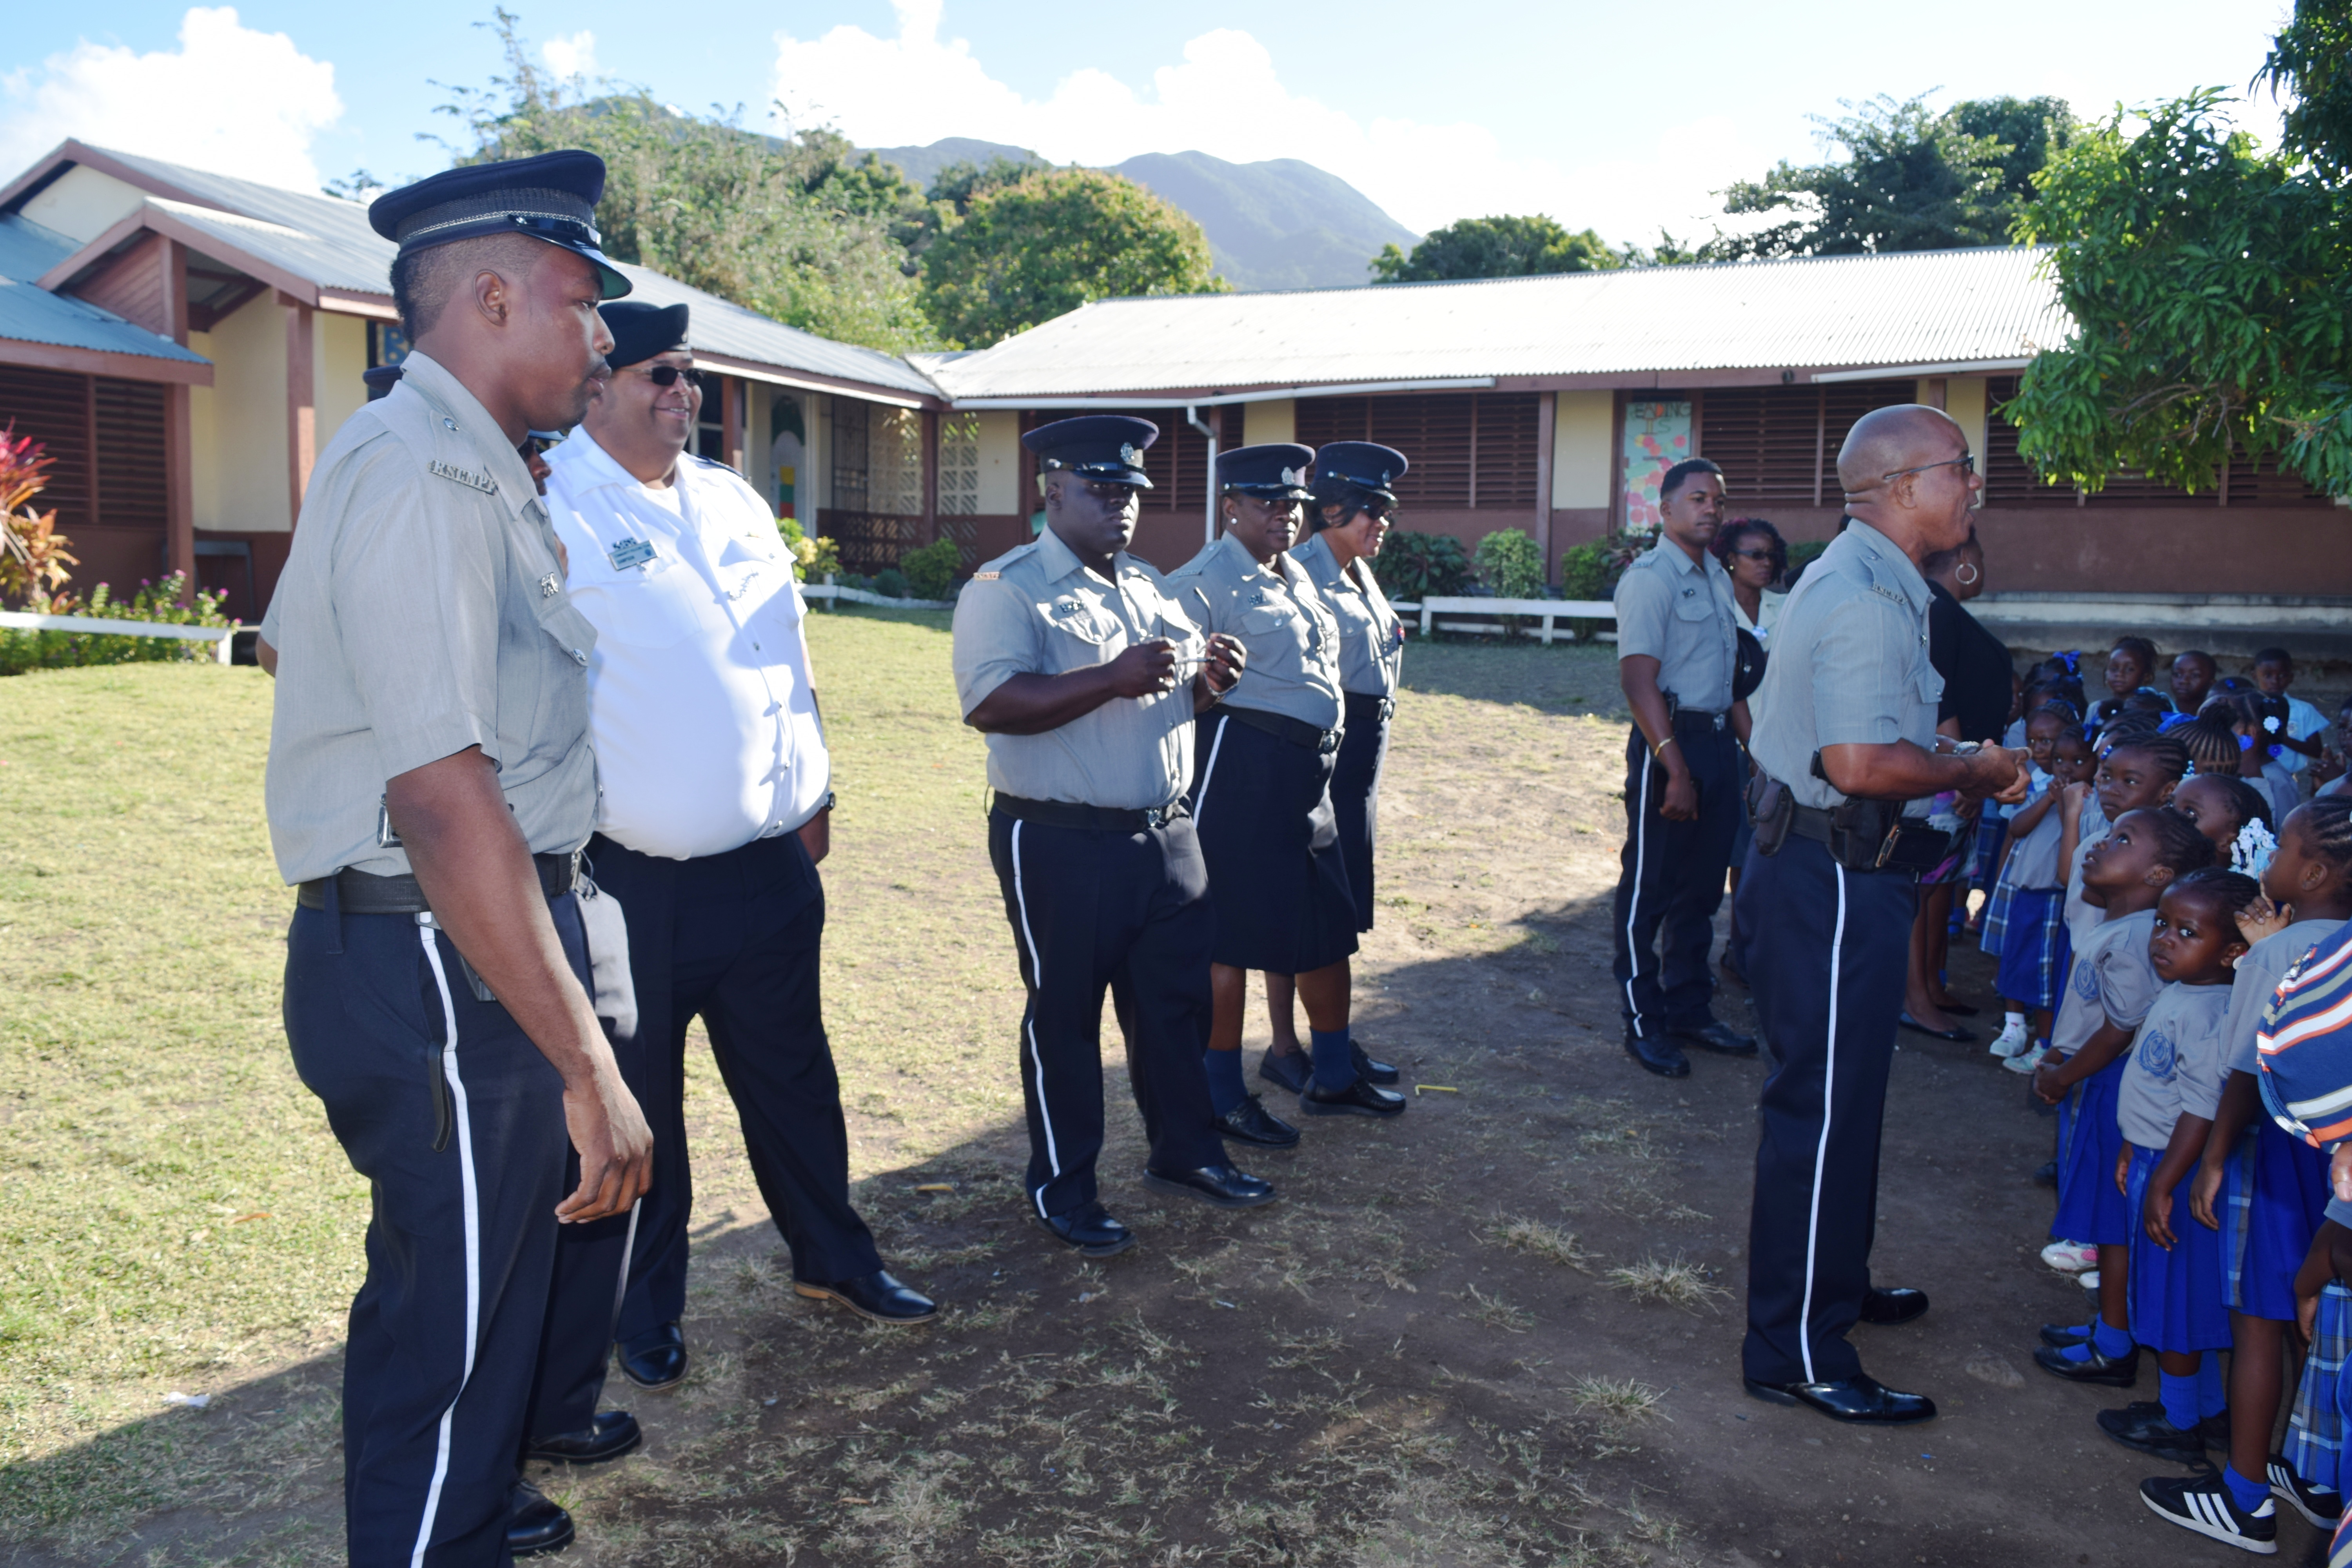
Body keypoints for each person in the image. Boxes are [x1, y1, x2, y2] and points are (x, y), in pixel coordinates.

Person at [263, 151, 654, 1564]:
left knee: (469, 1307)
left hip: (459, 943)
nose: (602, 338)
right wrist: (585, 1064)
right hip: (440, 955)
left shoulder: (466, 468)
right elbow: (441, 796)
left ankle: (465, 1510)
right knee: (453, 1334)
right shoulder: (424, 473)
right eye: (579, 301)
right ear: (491, 297)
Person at [543, 301, 936, 1401]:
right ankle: (644, 1309)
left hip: (768, 865)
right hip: (634, 877)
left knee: (795, 1076)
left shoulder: (731, 498)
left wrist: (819, 783)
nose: (685, 394)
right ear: (597, 384)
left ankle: (834, 1259)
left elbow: (784, 653)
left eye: (691, 375)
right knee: (642, 1102)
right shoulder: (554, 503)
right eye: (660, 375)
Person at [1735, 404, 2027, 1425]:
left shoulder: (1881, 580)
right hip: (1829, 875)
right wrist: (1973, 768)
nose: (1976, 485)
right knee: (1820, 1111)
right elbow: (1859, 764)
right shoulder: (1865, 595)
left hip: (1843, 872)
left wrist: (1956, 758)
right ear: (1903, 486)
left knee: (1847, 1101)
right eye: (1962, 468)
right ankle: (1796, 1350)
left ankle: (1834, 1286)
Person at [952, 415, 1273, 1258]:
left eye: (1131, 492)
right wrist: (1109, 677)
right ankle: (1066, 1188)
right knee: (1065, 1017)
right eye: (1101, 490)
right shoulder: (1007, 586)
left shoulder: (1148, 585)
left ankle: (1186, 1152)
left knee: (1175, 1007)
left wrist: (1209, 686)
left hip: (1166, 833)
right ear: (1053, 490)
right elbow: (990, 703)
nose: (1121, 506)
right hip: (1063, 839)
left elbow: (1160, 703)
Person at [1171, 444, 1405, 1125]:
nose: (1285, 515)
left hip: (1313, 774)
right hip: (1243, 768)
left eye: (1293, 503)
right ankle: (1220, 1093)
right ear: (1230, 507)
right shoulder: (1201, 582)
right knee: (1230, 938)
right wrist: (1206, 686)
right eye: (1267, 503)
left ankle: (1333, 1073)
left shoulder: (1296, 574)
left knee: (1326, 927)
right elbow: (1175, 697)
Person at [2165, 799, 2352, 1547]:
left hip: (2274, 1154)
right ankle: (2317, 1476)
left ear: (2313, 874)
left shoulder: (2276, 957)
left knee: (2260, 1323)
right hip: (2336, 1169)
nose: (2268, 860)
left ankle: (2245, 1498)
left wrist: (2212, 1159)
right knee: (2323, 1311)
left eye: (2282, 851)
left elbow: (2245, 1068)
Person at [2027, 808, 2209, 1384]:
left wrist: (2062, 1075)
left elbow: (2117, 1031)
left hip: (2113, 1086)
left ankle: (2113, 1344)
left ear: (2158, 875)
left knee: (2111, 1219)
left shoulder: (2136, 936)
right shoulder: (2125, 925)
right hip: (2100, 1078)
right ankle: (2110, 1328)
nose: (2101, 844)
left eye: (2122, 839)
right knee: (2106, 1215)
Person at [2096, 870, 2257, 1498]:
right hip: (2154, 1159)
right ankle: (2206, 1410)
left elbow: (2201, 1109)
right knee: (2178, 1295)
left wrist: (2163, 1181)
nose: (2164, 939)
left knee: (2175, 1302)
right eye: (2163, 924)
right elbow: (2157, 1089)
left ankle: (2180, 1420)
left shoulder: (2213, 1011)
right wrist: (2133, 1145)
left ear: (2233, 952)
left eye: (2187, 932)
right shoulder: (2183, 990)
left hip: (2178, 1174)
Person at [1258, 443, 1410, 1096]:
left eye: (1386, 511)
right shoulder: (1300, 572)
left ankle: (1331, 1038)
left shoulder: (1357, 572)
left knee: (1335, 911)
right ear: (1332, 510)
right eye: (1370, 510)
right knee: (1298, 905)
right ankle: (1285, 1046)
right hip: (1322, 755)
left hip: (1360, 764)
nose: (1382, 523)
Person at [1610, 458, 1758, 1078]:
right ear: (1665, 509)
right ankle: (1645, 1022)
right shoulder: (1651, 579)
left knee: (1700, 891)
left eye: (1718, 501)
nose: (1711, 510)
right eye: (1698, 499)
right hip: (1670, 744)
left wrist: (1755, 758)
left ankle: (1690, 1010)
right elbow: (1638, 681)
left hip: (1719, 747)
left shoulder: (1717, 578)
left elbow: (1731, 685)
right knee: (1649, 891)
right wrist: (1674, 768)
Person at [1902, 525, 2011, 1042]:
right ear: (1965, 556)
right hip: (1946, 773)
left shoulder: (1945, 608)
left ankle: (1930, 983)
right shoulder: (1936, 608)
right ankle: (1914, 998)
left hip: (1960, 773)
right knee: (1922, 889)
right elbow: (1937, 695)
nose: (1985, 568)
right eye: (1982, 556)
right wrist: (1965, 769)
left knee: (1941, 886)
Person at [1979, 725, 2092, 1071]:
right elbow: (2017, 828)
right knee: (2015, 960)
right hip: (2025, 894)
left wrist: (2067, 805)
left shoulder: (2088, 803)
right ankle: (2014, 1027)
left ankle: (2044, 1046)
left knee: (2044, 976)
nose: (2066, 768)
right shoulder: (2041, 791)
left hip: (2053, 899)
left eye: (2078, 761)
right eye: (2059, 760)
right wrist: (2048, 799)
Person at [1710, 517, 1786, 987]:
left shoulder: (1787, 607)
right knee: (1742, 856)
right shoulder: (1716, 607)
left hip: (1781, 747)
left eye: (1771, 554)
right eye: (1755, 554)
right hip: (1737, 748)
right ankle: (1739, 949)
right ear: (1730, 559)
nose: (1766, 563)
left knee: (1773, 855)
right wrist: (1754, 751)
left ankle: (1761, 948)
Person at [2253, 646, 2329, 784]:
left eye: (2282, 675)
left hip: (2287, 779)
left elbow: (2316, 751)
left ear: (2291, 677)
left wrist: (2284, 739)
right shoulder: (2249, 708)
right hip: (2253, 778)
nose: (2275, 681)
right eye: (2268, 676)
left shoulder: (2303, 710)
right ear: (2255, 676)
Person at [2169, 650, 2218, 722]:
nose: (2184, 681)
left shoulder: (2214, 721)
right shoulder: (2160, 713)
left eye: (2195, 675)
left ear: (2211, 684)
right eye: (2177, 674)